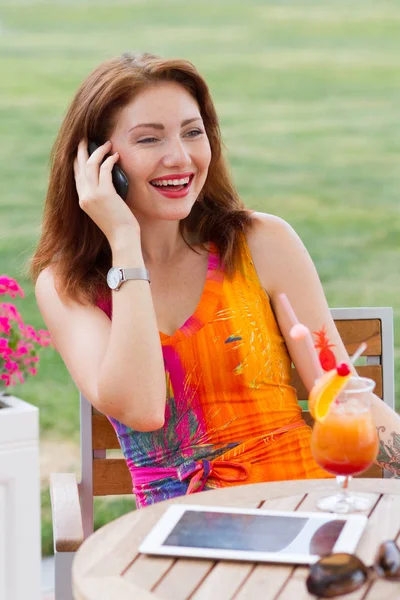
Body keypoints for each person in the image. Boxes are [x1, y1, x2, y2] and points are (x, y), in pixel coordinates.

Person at [31, 52, 400, 508]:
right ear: (95, 162)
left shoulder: (261, 242)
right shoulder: (69, 287)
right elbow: (144, 409)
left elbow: (339, 389)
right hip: (181, 538)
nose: (179, 158)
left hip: (302, 510)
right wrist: (124, 240)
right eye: (149, 139)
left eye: (193, 132)